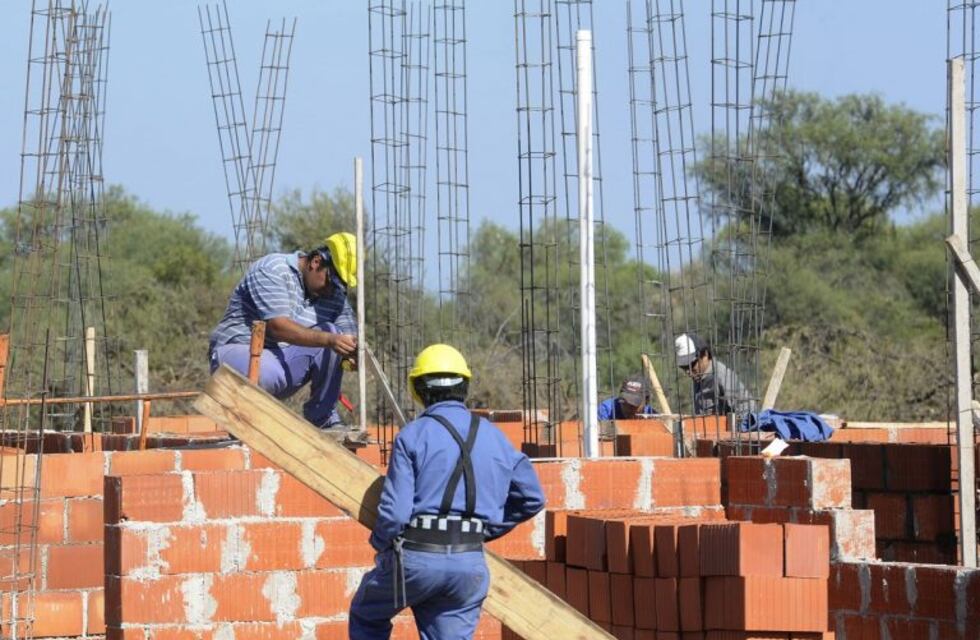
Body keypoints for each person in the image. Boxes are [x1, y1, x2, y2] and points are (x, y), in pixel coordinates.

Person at [349, 344, 546, 640]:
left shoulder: (412, 435)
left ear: (418, 389)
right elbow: (533, 498)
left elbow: (396, 512)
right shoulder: (495, 436)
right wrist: (485, 528)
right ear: (464, 385)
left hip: (416, 558)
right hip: (469, 564)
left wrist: (381, 543)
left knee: (367, 615)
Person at [208, 232, 358, 430]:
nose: (332, 290)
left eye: (340, 286)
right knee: (330, 338)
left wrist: (352, 355)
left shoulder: (335, 295)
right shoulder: (273, 270)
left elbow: (349, 338)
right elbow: (277, 327)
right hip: (238, 353)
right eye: (331, 282)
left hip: (279, 365)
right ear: (316, 262)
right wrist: (331, 340)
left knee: (334, 335)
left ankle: (322, 417)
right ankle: (248, 421)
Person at [674, 332, 755, 416]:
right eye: (684, 367)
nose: (688, 371)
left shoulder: (722, 376)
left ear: (705, 354)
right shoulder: (699, 378)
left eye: (691, 365)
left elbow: (748, 409)